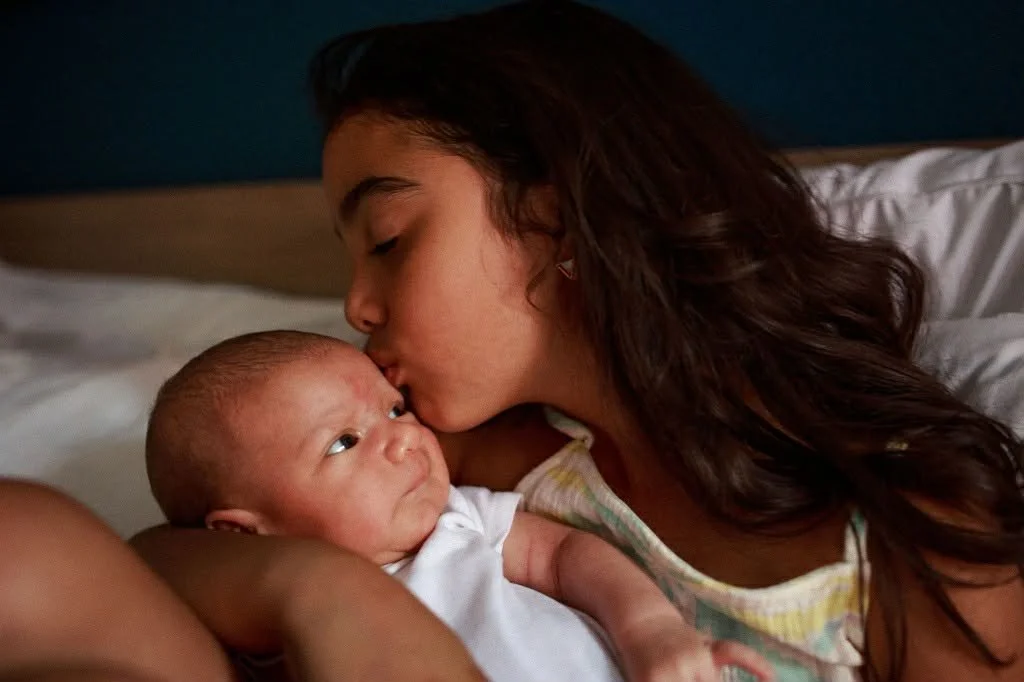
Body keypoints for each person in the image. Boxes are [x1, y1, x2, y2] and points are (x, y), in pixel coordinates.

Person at [1, 1, 1021, 681]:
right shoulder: (479, 462)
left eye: (388, 239)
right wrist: (322, 589)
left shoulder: (913, 536)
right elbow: (166, 551)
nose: (355, 306)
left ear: (558, 217)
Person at [144, 329, 773, 682]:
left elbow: (564, 556)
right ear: (244, 538)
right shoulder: (278, 636)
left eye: (395, 409)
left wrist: (650, 629)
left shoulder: (459, 517)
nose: (404, 438)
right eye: (344, 442)